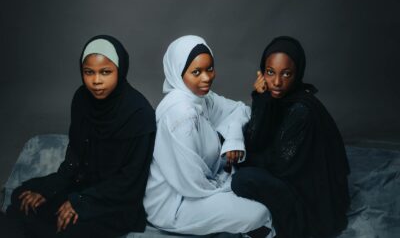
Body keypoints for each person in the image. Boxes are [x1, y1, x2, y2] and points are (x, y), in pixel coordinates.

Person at [6, 35, 156, 238]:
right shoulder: (81, 99)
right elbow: (75, 158)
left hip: (116, 201)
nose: (96, 81)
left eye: (105, 72)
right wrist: (49, 190)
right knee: (21, 196)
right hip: (80, 185)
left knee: (69, 229)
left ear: (120, 71)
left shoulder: (139, 114)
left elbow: (129, 181)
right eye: (89, 72)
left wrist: (81, 203)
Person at [144, 35, 274, 237]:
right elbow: (190, 182)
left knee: (258, 188)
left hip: (205, 185)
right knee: (260, 211)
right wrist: (229, 187)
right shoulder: (180, 114)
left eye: (209, 69)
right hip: (176, 204)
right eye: (196, 72)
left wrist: (233, 138)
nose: (206, 78)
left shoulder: (201, 97)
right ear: (178, 72)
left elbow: (240, 110)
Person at [231, 36, 350, 238]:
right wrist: (261, 99)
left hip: (307, 200)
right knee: (238, 155)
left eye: (286, 74)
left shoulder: (300, 109)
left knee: (242, 179)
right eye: (270, 73)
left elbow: (278, 165)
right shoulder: (275, 100)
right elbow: (256, 139)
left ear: (297, 74)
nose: (277, 82)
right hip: (288, 176)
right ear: (262, 72)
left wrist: (245, 158)